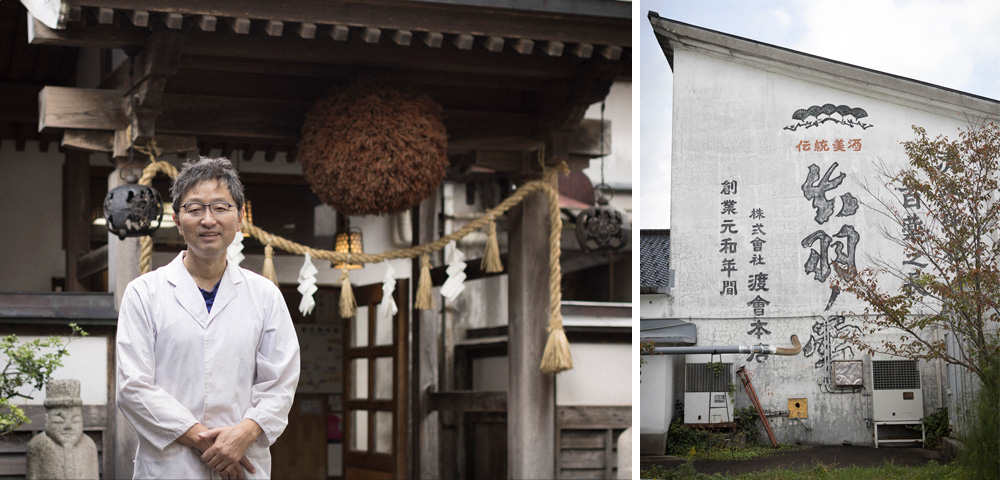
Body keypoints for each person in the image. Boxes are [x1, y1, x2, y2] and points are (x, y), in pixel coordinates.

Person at [116, 157, 300, 479]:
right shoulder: (144, 293)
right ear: (176, 219)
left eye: (220, 207)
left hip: (244, 464)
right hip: (171, 466)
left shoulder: (265, 295)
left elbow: (280, 382)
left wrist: (243, 434)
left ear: (240, 218)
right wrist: (210, 443)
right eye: (195, 208)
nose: (208, 220)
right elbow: (134, 387)